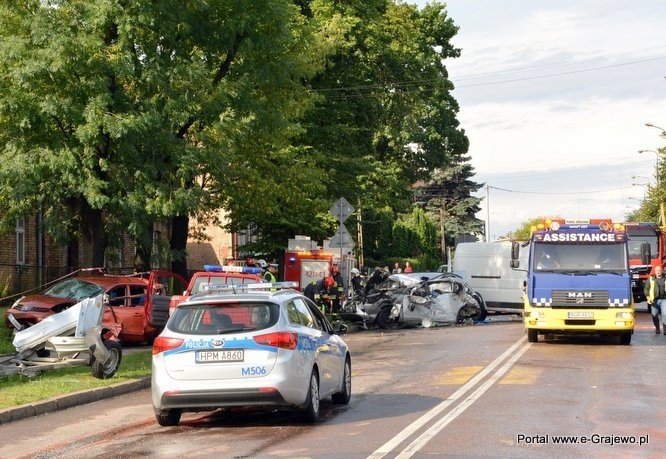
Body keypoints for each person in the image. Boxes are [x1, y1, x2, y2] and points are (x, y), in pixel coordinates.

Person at [645, 265, 666, 334]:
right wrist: (648, 297)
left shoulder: (665, 278)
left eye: (659, 270)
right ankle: (657, 328)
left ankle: (665, 329)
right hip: (654, 300)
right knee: (654, 315)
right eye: (656, 270)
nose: (658, 272)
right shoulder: (651, 278)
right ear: (655, 271)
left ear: (662, 271)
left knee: (665, 314)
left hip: (664, 299)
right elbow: (646, 289)